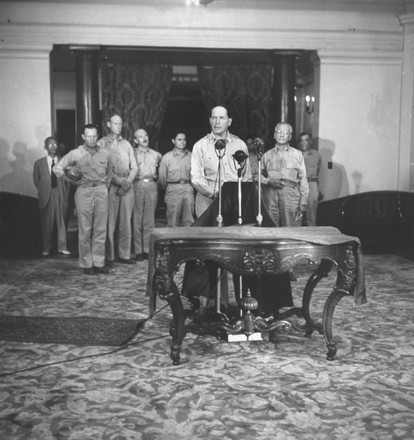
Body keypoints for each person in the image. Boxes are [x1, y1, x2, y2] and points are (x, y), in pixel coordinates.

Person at [54, 124, 111, 275]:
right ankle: (86, 264)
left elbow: (110, 171)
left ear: (97, 136)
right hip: (84, 191)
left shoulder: (105, 153)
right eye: (88, 136)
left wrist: (105, 186)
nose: (91, 139)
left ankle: (99, 262)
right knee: (85, 229)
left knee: (100, 229)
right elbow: (57, 168)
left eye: (94, 136)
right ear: (83, 137)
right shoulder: (75, 153)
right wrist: (73, 181)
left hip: (101, 190)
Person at [261, 122, 309, 281]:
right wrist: (268, 182)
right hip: (271, 195)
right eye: (278, 132)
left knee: (290, 231)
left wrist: (303, 202)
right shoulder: (266, 155)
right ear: (274, 135)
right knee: (271, 231)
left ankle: (289, 269)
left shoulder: (297, 155)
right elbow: (256, 176)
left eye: (285, 132)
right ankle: (271, 267)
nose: (281, 135)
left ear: (290, 136)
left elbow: (303, 179)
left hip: (291, 194)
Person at [191, 105, 252, 217]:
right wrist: (213, 194)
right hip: (207, 201)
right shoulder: (200, 146)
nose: (217, 122)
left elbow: (247, 177)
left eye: (221, 118)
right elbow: (196, 178)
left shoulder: (240, 145)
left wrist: (237, 196)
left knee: (233, 233)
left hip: (234, 201)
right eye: (214, 118)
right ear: (210, 121)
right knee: (208, 234)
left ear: (229, 121)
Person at [98, 114, 138, 266]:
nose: (118, 126)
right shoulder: (102, 144)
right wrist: (120, 182)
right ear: (108, 124)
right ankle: (109, 256)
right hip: (111, 186)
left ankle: (124, 255)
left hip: (127, 187)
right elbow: (103, 167)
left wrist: (127, 182)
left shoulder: (127, 144)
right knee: (110, 223)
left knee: (126, 222)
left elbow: (134, 167)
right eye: (115, 123)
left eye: (120, 124)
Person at [33, 136, 70, 257]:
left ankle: (62, 246)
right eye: (50, 145)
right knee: (46, 223)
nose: (53, 147)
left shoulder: (64, 162)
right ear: (45, 147)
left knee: (62, 222)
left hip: (60, 195)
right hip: (47, 196)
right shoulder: (39, 163)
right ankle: (46, 247)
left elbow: (68, 181)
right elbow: (37, 181)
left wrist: (64, 194)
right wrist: (45, 191)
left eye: (55, 144)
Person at [132, 128, 162, 261]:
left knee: (149, 219)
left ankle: (147, 250)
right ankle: (138, 251)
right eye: (140, 137)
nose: (144, 138)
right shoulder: (131, 154)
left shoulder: (156, 155)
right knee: (137, 219)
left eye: (146, 135)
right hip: (136, 185)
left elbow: (161, 174)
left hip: (151, 185)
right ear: (135, 140)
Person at [158, 132, 194, 227]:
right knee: (172, 220)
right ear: (173, 141)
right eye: (179, 139)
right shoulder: (167, 157)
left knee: (189, 220)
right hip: (173, 188)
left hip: (187, 188)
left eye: (184, 139)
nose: (182, 142)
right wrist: (170, 187)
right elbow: (162, 177)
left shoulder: (191, 156)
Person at [298, 132, 323, 226]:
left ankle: (312, 234)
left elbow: (320, 172)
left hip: (312, 185)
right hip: (298, 185)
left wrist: (318, 189)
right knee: (297, 212)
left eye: (306, 140)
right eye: (301, 140)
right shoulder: (295, 155)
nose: (304, 143)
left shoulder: (316, 155)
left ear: (311, 142)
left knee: (311, 214)